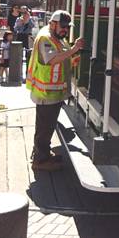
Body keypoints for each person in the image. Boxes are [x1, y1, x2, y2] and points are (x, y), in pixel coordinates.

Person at [27, 10, 84, 172]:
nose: (65, 30)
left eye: (67, 27)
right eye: (63, 26)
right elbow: (52, 59)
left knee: (47, 127)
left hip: (53, 93)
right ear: (52, 24)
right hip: (46, 93)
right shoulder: (45, 38)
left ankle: (42, 154)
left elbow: (61, 57)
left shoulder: (57, 37)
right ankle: (40, 160)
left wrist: (71, 59)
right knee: (44, 129)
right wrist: (74, 49)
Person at [14, 7, 35, 73]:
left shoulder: (31, 19)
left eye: (26, 13)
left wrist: (28, 20)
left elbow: (33, 26)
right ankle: (18, 71)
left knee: (28, 53)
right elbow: (15, 29)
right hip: (20, 36)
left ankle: (28, 71)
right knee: (18, 54)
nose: (24, 14)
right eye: (23, 13)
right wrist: (20, 23)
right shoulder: (18, 19)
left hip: (27, 36)